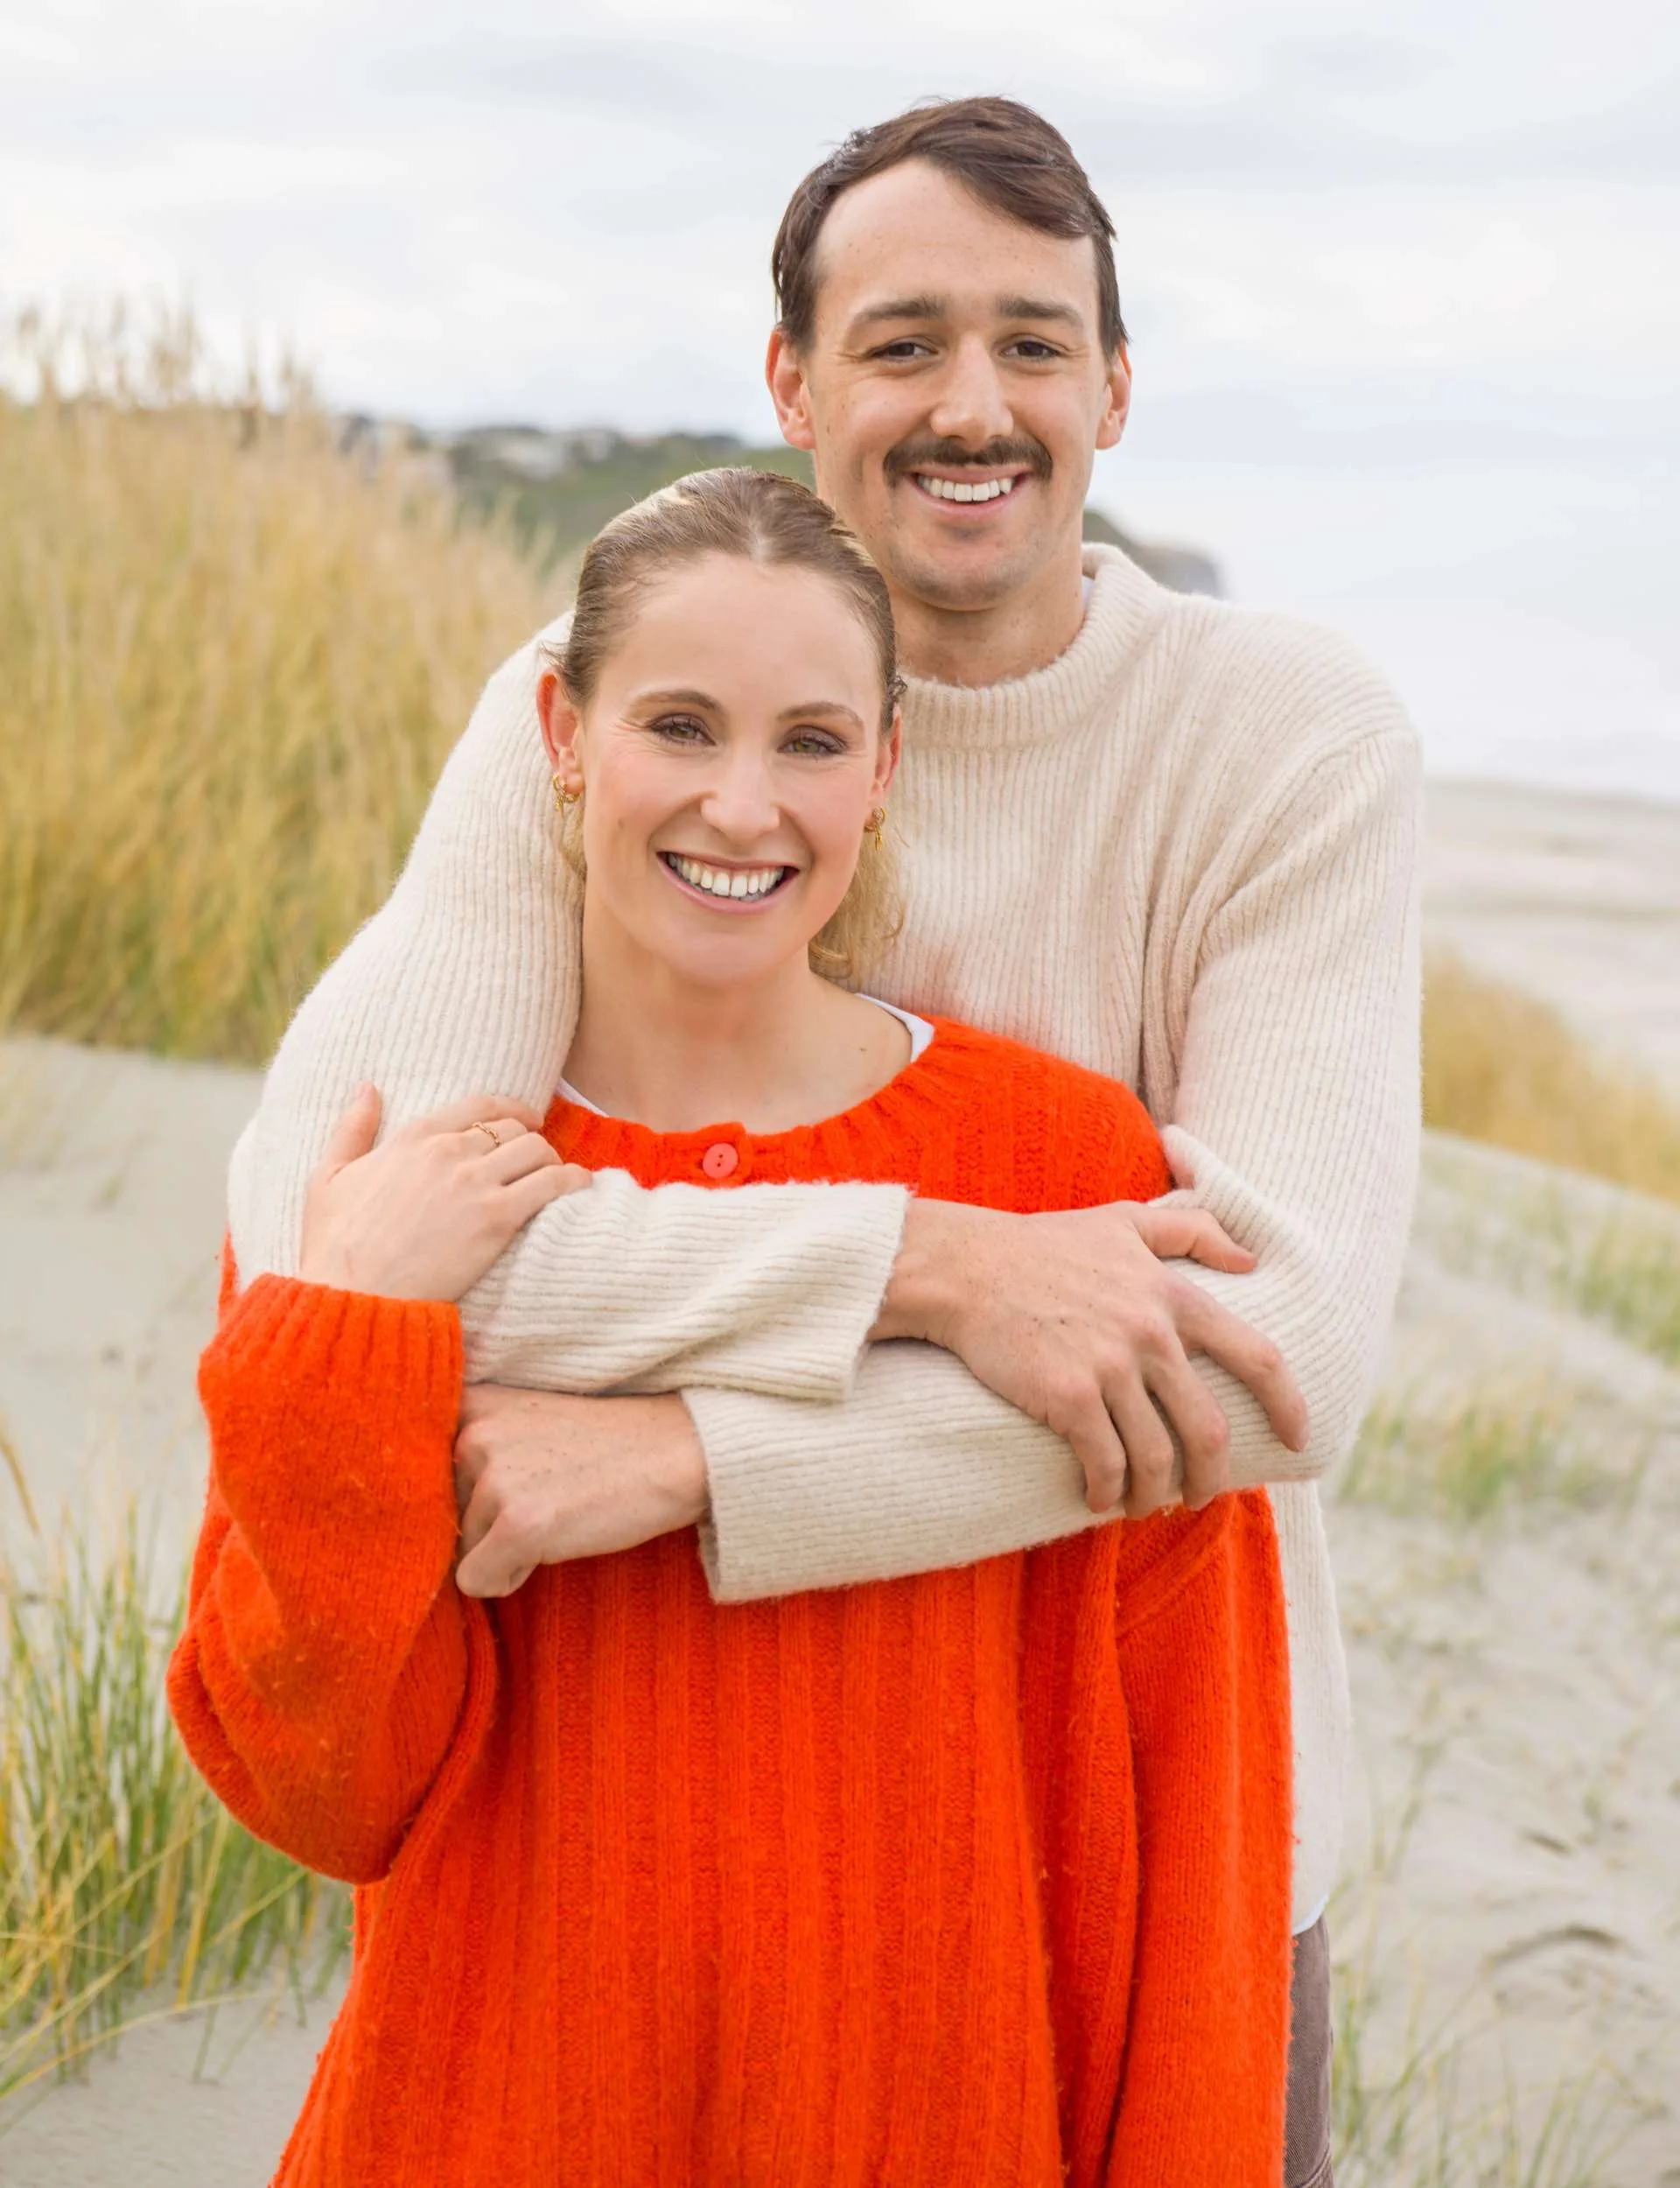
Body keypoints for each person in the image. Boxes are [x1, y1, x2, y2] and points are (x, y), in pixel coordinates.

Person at [227, 97, 1420, 2188]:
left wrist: (696, 1462)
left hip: (1133, 1779)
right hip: (638, 1796)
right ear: (792, 382)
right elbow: (342, 1224)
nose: (977, 404)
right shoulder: (608, 706)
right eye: (904, 339)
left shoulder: (1280, 734)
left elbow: (1275, 1347)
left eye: (1038, 342)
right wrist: (927, 1260)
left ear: (1118, 386)